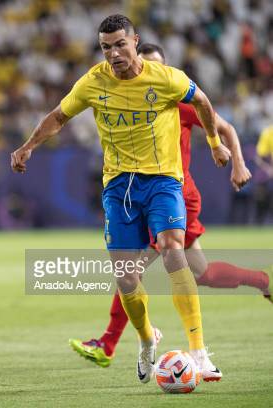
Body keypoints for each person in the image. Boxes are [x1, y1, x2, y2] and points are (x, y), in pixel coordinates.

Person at [11, 15, 230, 383]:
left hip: (163, 180)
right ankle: (146, 341)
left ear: (135, 41)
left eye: (119, 45)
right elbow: (58, 117)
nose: (113, 53)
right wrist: (28, 146)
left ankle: (199, 352)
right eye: (105, 47)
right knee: (127, 277)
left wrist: (214, 142)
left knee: (173, 250)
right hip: (119, 187)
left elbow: (204, 103)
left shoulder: (167, 78)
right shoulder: (93, 82)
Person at [68, 43, 272, 369]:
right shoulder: (128, 101)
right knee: (201, 272)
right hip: (150, 195)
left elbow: (225, 128)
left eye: (156, 65)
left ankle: (111, 343)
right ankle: (260, 280)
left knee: (131, 270)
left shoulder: (179, 104)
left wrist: (235, 162)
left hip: (174, 197)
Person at [254, 124, 273, 223]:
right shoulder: (268, 133)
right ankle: (258, 222)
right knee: (261, 198)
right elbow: (258, 158)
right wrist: (268, 169)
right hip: (265, 175)